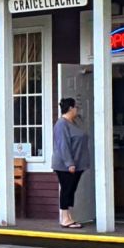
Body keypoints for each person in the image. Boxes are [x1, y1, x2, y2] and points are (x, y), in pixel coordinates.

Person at [51, 97, 91, 228]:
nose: (77, 110)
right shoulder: (61, 124)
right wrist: (70, 163)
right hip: (65, 165)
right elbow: (63, 145)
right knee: (67, 189)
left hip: (77, 163)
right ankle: (64, 218)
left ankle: (68, 216)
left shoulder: (74, 123)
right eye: (76, 107)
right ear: (70, 108)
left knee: (71, 189)